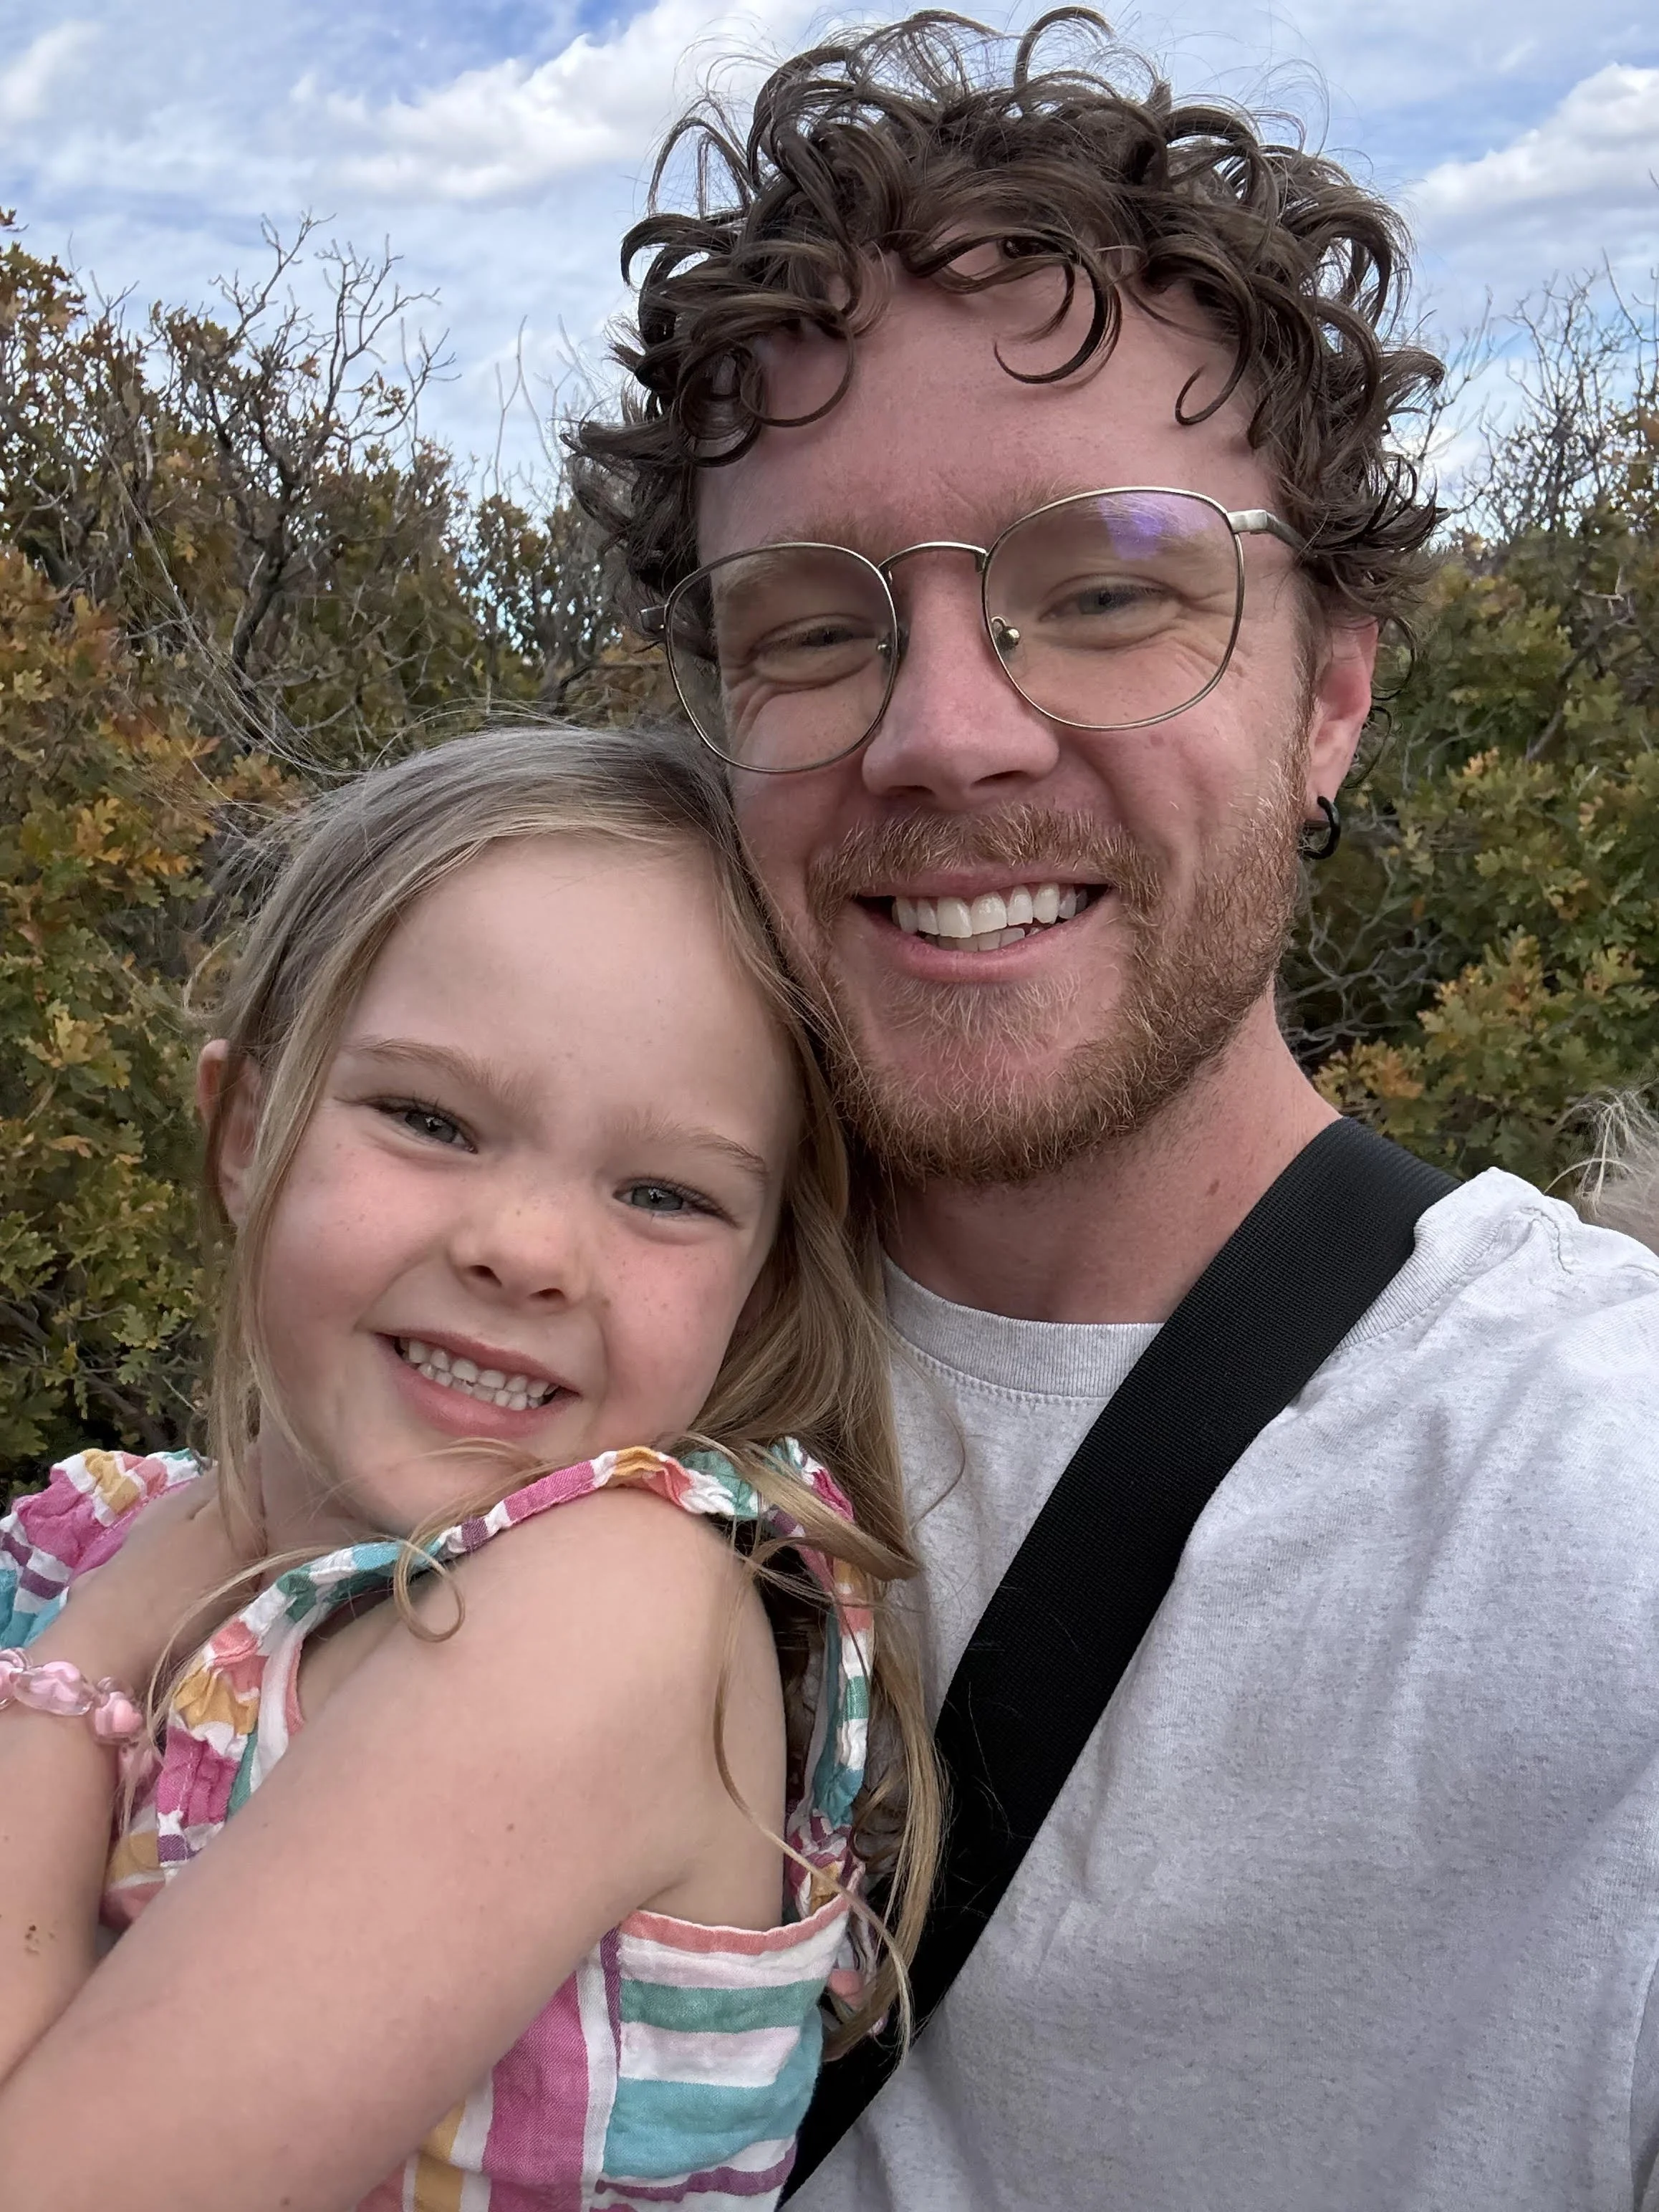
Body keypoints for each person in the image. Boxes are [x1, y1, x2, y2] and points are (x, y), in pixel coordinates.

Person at [571, 14, 1659, 2210]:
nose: (943, 736)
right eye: (809, 630)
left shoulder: (1594, 1547)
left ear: (1330, 695)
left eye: (1106, 594)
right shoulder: (538, 1334)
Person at [0, 723, 939, 2212]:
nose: (526, 1246)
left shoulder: (611, 1607)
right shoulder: (99, 1519)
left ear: (758, 1286)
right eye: (431, 1118)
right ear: (249, 1134)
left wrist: (100, 1643)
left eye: (664, 1191)